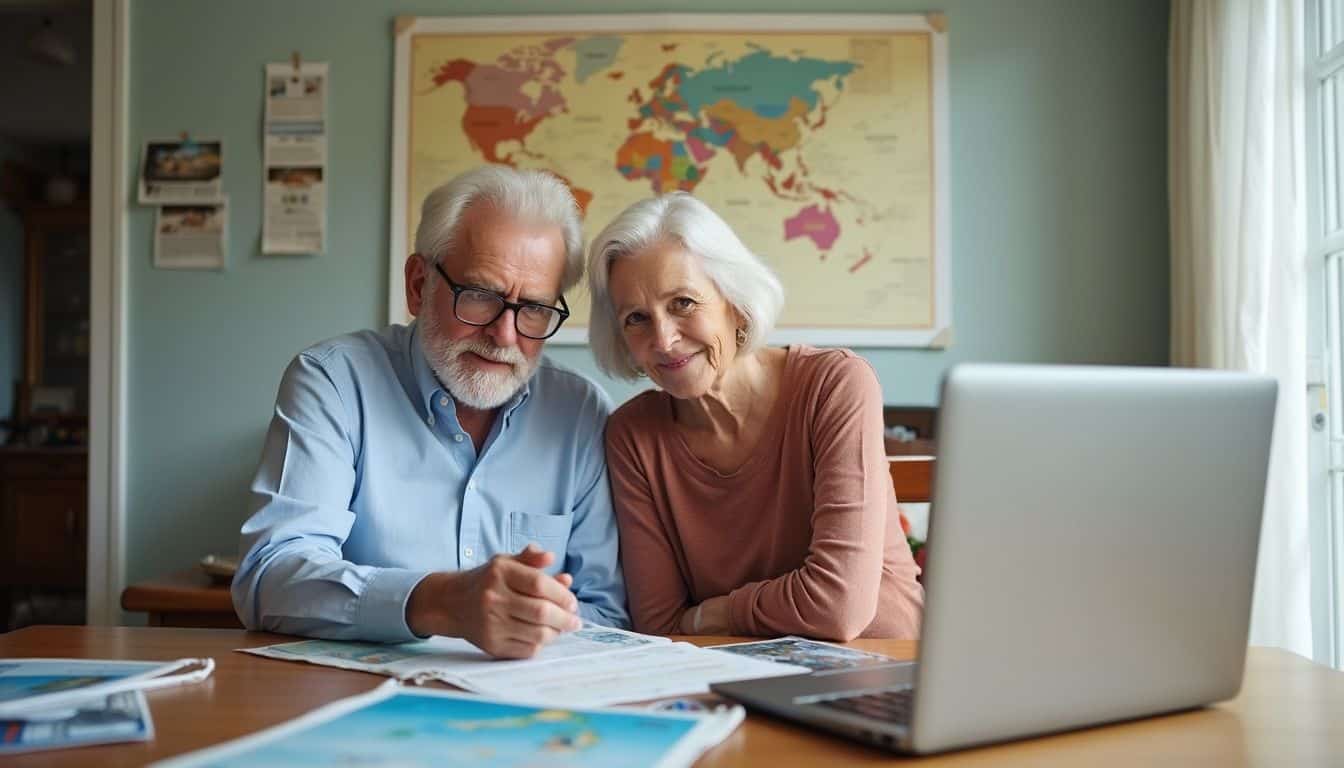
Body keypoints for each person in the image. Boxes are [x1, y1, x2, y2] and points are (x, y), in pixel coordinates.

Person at [233, 166, 628, 657]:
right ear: (419, 285)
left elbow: (607, 613)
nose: (504, 336)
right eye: (481, 297)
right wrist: (441, 603)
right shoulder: (332, 381)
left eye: (533, 309)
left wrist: (536, 623)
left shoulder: (580, 414)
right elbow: (270, 576)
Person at [587, 192, 923, 641]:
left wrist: (710, 614)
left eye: (683, 303)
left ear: (734, 299)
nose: (663, 339)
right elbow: (659, 626)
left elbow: (838, 608)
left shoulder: (836, 384)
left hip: (880, 661)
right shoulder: (632, 436)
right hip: (735, 676)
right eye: (636, 318)